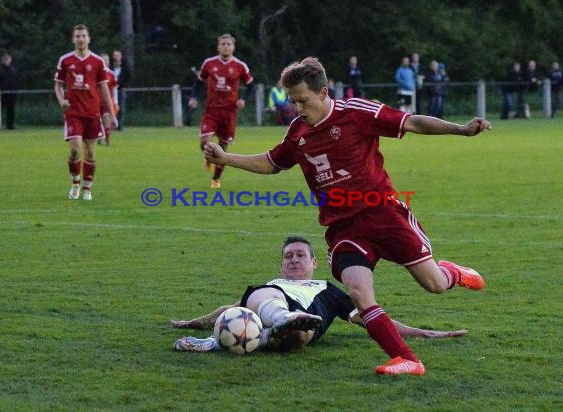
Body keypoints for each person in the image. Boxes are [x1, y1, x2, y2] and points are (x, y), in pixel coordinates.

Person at [204, 57, 492, 376]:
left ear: (324, 92)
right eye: (293, 101)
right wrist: (226, 158)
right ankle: (406, 359)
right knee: (358, 291)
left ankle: (451, 272)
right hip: (344, 228)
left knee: (434, 284)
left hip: (384, 214)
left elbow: (412, 122)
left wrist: (462, 130)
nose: (297, 108)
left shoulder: (356, 112)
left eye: (303, 100)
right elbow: (272, 163)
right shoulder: (298, 132)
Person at [172, 236, 468, 353]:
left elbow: (373, 321)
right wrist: (192, 321)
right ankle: (277, 321)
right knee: (259, 300)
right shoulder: (272, 284)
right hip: (269, 307)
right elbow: (232, 307)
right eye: (288, 256)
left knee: (299, 336)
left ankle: (223, 343)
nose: (294, 260)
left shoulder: (329, 291)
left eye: (301, 255)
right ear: (281, 263)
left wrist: (427, 334)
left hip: (302, 327)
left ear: (314, 262)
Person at [54, 24, 117, 201]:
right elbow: (57, 85)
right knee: (75, 149)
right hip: (73, 113)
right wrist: (62, 101)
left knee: (90, 151)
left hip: (92, 113)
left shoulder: (98, 61)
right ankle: (75, 183)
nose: (80, 39)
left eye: (83, 36)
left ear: (89, 39)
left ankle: (87, 187)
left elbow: (104, 88)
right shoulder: (65, 60)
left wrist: (111, 114)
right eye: (77, 36)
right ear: (73, 39)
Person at [188, 33, 255, 189]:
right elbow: (199, 82)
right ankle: (209, 156)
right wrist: (193, 97)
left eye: (228, 44)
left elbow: (251, 85)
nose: (226, 46)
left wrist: (243, 99)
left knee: (223, 148)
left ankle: (216, 179)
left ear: (233, 47)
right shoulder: (209, 63)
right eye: (223, 44)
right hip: (211, 111)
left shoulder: (240, 66)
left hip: (229, 113)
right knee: (204, 141)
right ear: (218, 47)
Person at [98, 53, 118, 146]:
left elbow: (114, 89)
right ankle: (98, 137)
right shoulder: (94, 73)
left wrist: (115, 102)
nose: (105, 62)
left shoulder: (111, 74)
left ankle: (107, 141)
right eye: (103, 60)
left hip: (106, 102)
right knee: (96, 122)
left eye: (106, 60)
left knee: (107, 121)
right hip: (95, 102)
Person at [0, 53, 18, 130]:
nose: (7, 61)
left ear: (10, 60)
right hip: (1, 93)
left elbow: (16, 81)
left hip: (12, 93)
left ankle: (10, 126)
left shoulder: (13, 70)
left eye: (8, 59)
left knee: (11, 110)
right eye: (5, 60)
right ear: (2, 61)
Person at [111, 49, 131, 131]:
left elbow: (129, 76)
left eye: (118, 55)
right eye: (115, 55)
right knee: (112, 107)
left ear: (121, 56)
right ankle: (112, 125)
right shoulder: (110, 67)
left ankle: (120, 126)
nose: (116, 57)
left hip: (121, 89)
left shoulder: (125, 67)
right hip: (111, 90)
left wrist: (123, 84)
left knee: (121, 109)